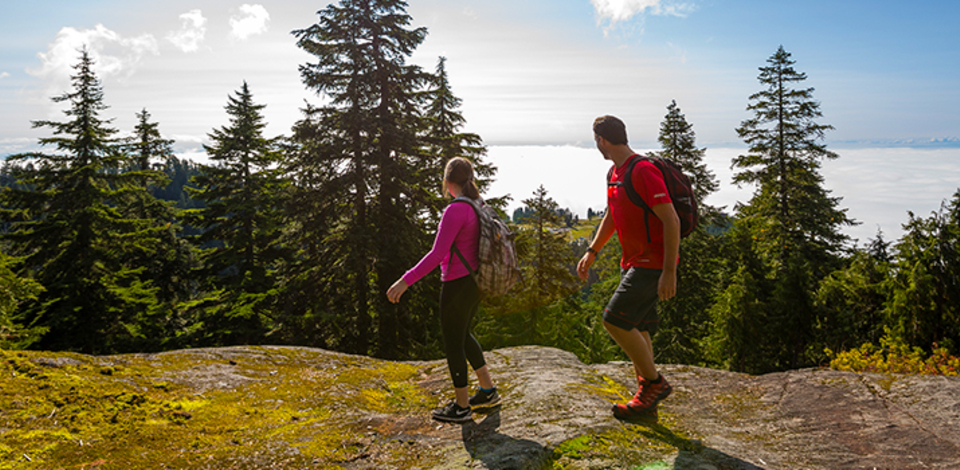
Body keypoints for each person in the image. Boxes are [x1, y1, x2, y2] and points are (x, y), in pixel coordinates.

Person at [576, 115, 680, 421]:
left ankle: (655, 384)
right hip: (632, 261)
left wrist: (669, 271)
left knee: (614, 320)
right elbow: (613, 213)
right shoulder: (615, 172)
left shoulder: (643, 170)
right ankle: (645, 397)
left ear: (602, 141)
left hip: (652, 264)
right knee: (641, 326)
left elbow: (671, 220)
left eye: (596, 140)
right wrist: (593, 251)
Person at [386, 157, 499, 423]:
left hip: (457, 284)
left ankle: (461, 407)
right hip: (476, 283)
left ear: (448, 182)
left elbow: (438, 254)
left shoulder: (455, 210)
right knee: (463, 335)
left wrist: (405, 280)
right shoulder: (478, 205)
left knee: (453, 344)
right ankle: (487, 390)